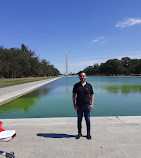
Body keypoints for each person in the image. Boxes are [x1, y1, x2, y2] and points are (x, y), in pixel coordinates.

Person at [72, 72, 94, 140]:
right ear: (79, 77)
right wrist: (74, 104)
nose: (82, 77)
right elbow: (73, 95)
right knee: (79, 120)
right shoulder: (76, 85)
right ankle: (79, 133)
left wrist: (91, 104)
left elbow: (92, 95)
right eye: (81, 76)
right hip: (79, 106)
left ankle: (88, 133)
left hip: (87, 106)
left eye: (83, 76)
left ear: (86, 77)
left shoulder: (89, 85)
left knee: (87, 120)